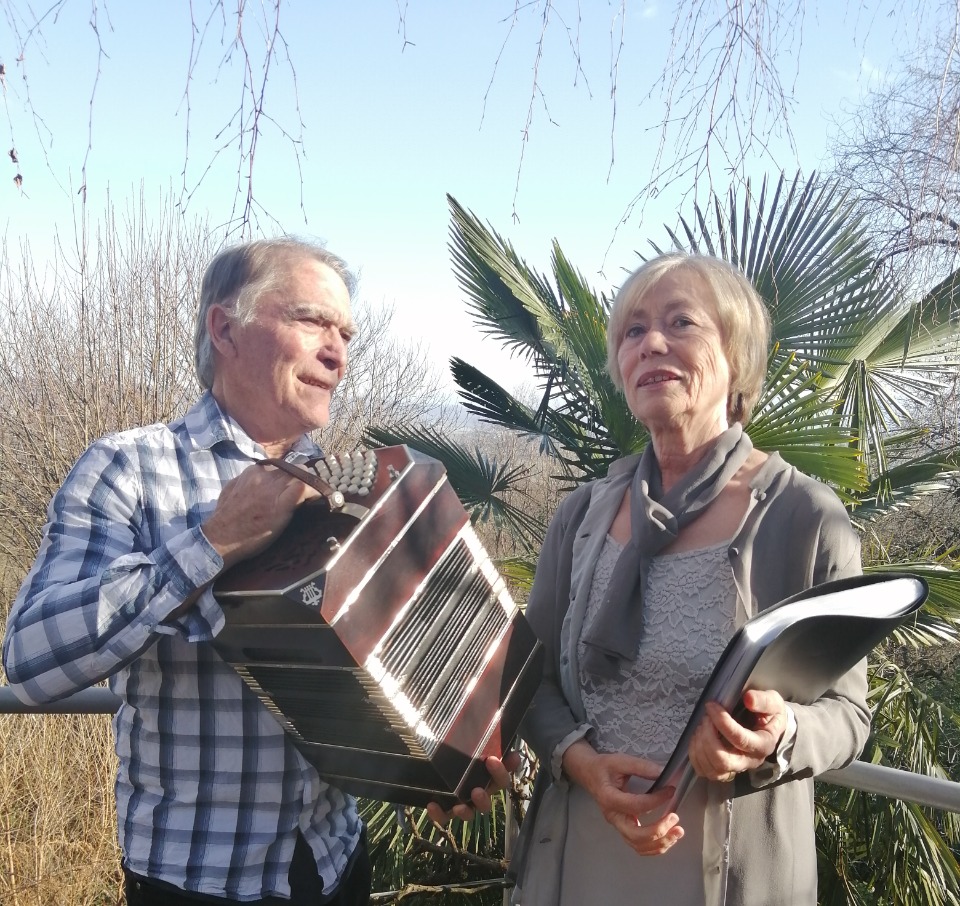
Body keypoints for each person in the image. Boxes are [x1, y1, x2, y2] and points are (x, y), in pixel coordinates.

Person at [3, 238, 505, 906]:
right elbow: (30, 660)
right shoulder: (126, 469)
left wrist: (434, 768)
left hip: (336, 866)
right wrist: (211, 544)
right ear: (225, 327)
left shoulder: (357, 490)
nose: (338, 351)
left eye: (345, 333)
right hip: (192, 879)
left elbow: (383, 677)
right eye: (311, 321)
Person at [508, 252, 870, 906]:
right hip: (582, 857)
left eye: (681, 323)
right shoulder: (582, 516)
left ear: (737, 357)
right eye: (633, 331)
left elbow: (848, 715)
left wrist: (778, 732)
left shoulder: (803, 516)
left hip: (727, 874)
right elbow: (526, 677)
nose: (651, 343)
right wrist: (583, 765)